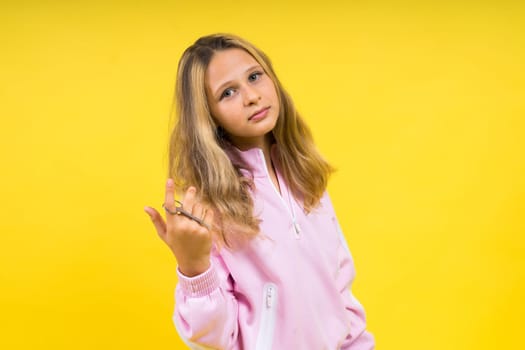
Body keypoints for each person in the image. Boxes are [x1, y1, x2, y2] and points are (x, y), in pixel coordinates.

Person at [144, 33, 375, 349]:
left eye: (255, 76)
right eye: (228, 93)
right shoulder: (209, 208)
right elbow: (212, 340)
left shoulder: (306, 180)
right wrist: (194, 267)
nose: (251, 96)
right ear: (208, 117)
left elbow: (341, 295)